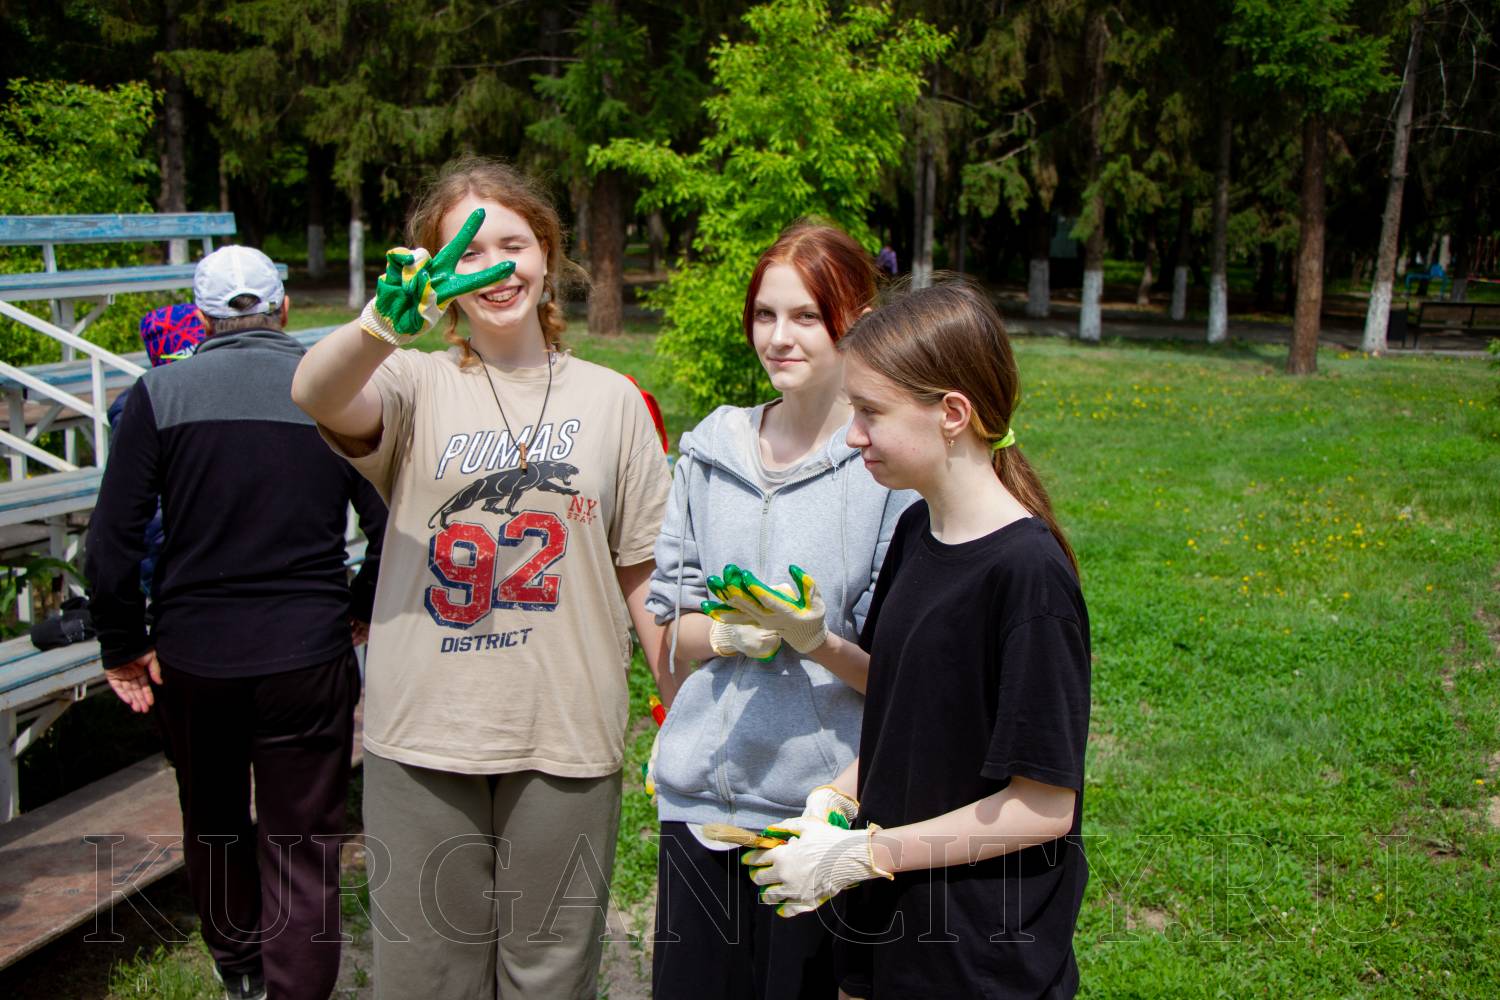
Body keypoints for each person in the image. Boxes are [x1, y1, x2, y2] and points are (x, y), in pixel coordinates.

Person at [290, 155, 671, 999]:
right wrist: (375, 331)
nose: (495, 269)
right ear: (434, 274)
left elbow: (641, 567)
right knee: (426, 977)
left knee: (550, 975)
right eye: (466, 254)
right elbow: (315, 392)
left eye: (514, 244)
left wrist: (679, 697)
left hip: (566, 735)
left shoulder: (613, 400)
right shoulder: (409, 381)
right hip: (426, 732)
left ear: (548, 255)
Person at [722, 281, 1091, 999]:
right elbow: (909, 715)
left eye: (870, 412)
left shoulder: (1028, 577)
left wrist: (864, 853)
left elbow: (1044, 808)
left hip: (977, 959)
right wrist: (835, 794)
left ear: (953, 413)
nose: (853, 434)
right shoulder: (918, 530)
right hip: (888, 935)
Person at [86, 245, 387, 1000]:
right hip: (306, 650)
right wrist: (358, 607)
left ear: (202, 317)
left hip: (196, 656)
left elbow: (113, 541)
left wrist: (123, 645)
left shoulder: (161, 393)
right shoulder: (330, 388)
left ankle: (241, 968)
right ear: (284, 308)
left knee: (212, 818)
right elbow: (390, 522)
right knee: (304, 841)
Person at [644, 221, 914, 1000]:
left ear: (854, 319)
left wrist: (814, 640)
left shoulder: (885, 474)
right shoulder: (707, 450)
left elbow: (897, 681)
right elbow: (672, 628)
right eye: (766, 315)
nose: (780, 336)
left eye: (805, 316)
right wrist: (725, 636)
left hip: (815, 817)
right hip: (698, 805)